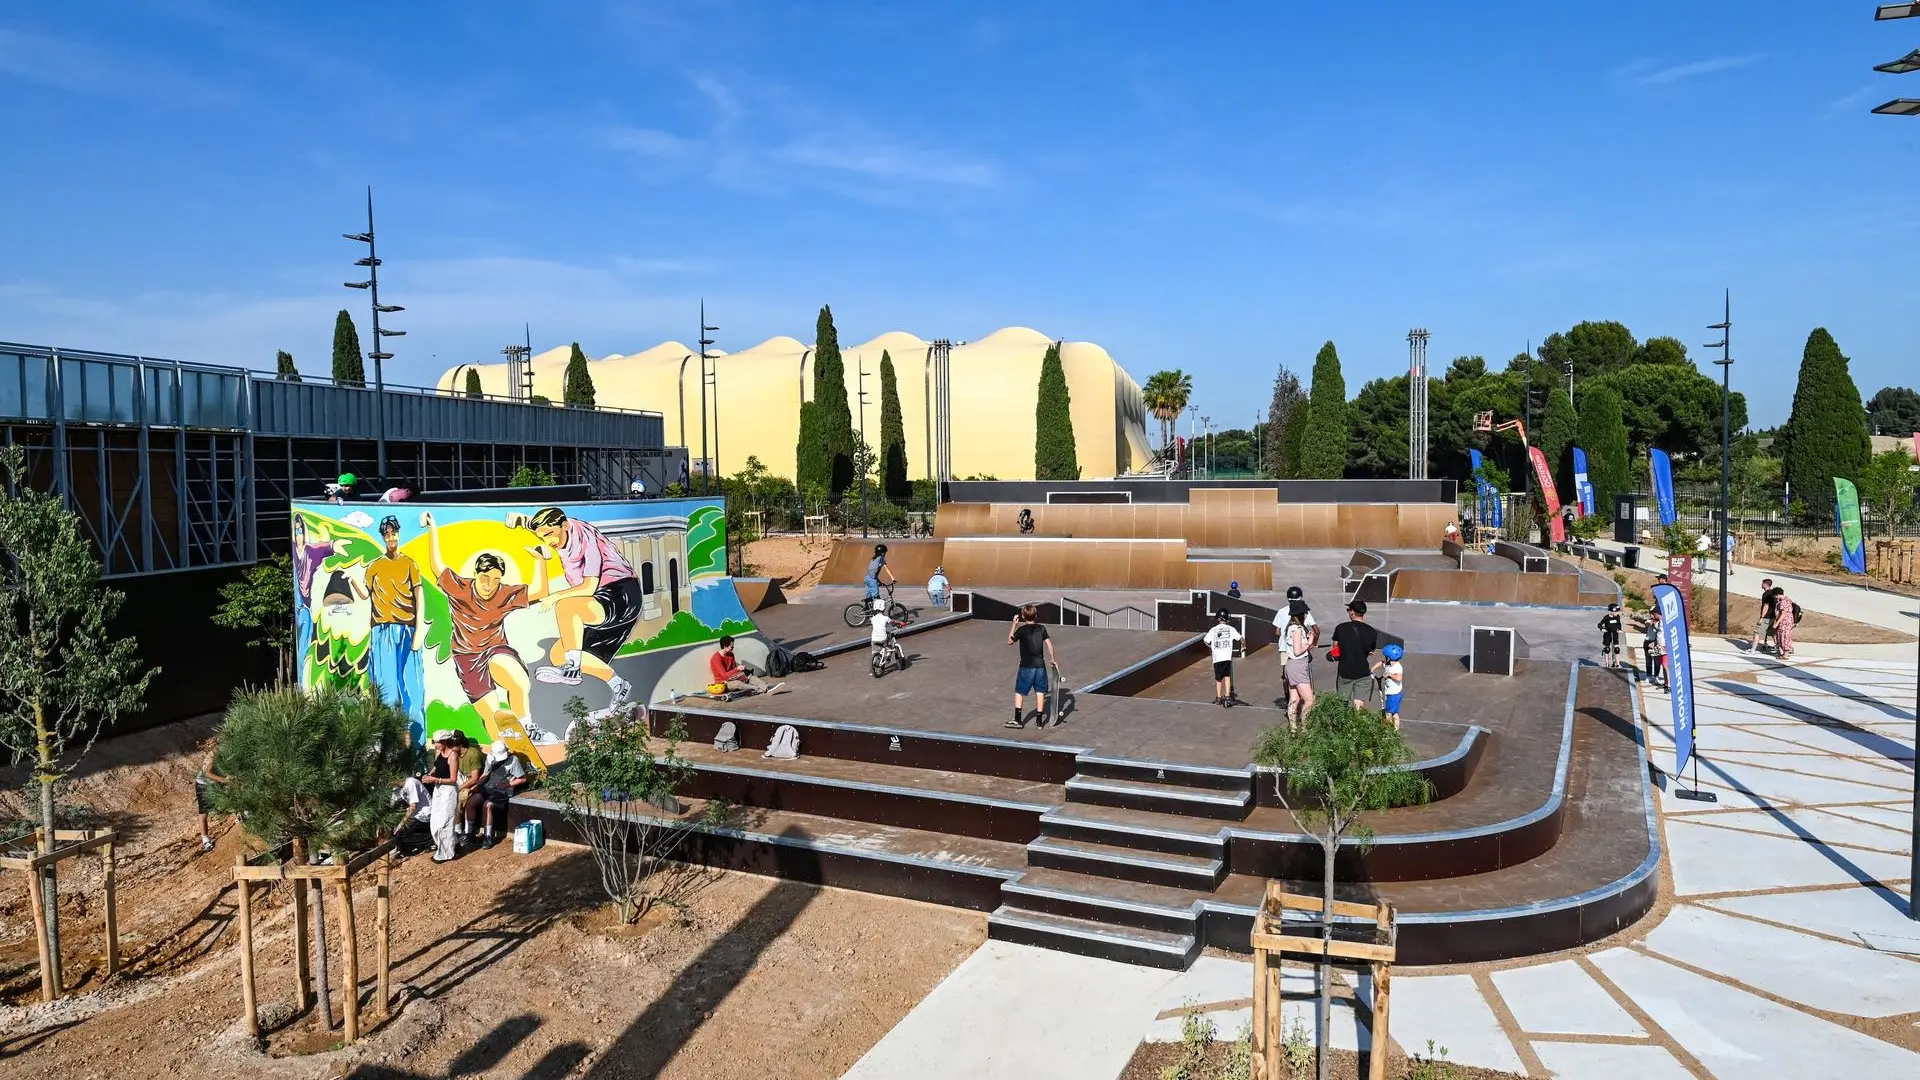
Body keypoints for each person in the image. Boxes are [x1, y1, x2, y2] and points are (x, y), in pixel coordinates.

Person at [424, 512, 550, 752]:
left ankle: (527, 726)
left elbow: (540, 591)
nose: (490, 585)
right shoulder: (460, 588)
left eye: (495, 579)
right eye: (485, 578)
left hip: (495, 650)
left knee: (518, 680)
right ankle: (504, 753)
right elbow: (435, 566)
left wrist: (539, 560)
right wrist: (433, 529)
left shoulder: (503, 594)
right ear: (476, 575)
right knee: (494, 718)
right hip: (467, 659)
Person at [519, 506, 640, 705]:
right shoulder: (555, 531)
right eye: (543, 538)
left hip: (622, 592)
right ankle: (618, 684)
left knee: (566, 607)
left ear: (564, 526)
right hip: (604, 605)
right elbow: (541, 527)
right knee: (559, 653)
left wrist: (556, 596)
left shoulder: (585, 538)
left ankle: (572, 668)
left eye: (550, 535)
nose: (549, 542)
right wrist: (522, 523)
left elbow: (589, 586)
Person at [361, 515, 428, 746]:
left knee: (412, 686)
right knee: (387, 688)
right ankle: (390, 744)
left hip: (407, 629)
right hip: (382, 630)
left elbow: (419, 596)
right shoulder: (375, 566)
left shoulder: (409, 563)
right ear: (383, 537)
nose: (391, 538)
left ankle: (416, 746)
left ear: (398, 535)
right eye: (387, 534)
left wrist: (420, 631)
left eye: (393, 533)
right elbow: (364, 595)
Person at [291, 516, 350, 690]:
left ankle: (307, 681)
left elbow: (322, 548)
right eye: (296, 531)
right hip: (301, 606)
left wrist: (334, 545)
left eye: (301, 531)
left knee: (307, 644)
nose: (299, 535)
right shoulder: (295, 550)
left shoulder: (310, 551)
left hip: (307, 609)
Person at [471, 741, 529, 847]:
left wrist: (508, 784)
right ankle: (468, 832)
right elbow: (486, 773)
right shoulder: (490, 758)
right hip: (488, 787)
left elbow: (522, 779)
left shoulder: (513, 760)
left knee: (487, 805)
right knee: (472, 801)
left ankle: (487, 836)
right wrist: (476, 786)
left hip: (503, 791)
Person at [1007, 604, 1057, 728]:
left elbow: (1010, 641)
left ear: (1023, 616)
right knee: (1040, 692)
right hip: (1040, 667)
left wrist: (1014, 624)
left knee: (1020, 691)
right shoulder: (1042, 628)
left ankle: (1018, 720)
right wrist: (1052, 659)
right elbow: (1049, 645)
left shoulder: (1022, 630)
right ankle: (1039, 721)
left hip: (1026, 667)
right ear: (1036, 615)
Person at [1328, 601, 1380, 709]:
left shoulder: (1340, 628)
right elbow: (1371, 651)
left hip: (1345, 672)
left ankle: (1342, 724)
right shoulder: (1372, 632)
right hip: (1362, 672)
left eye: (1348, 610)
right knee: (1358, 704)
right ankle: (1356, 724)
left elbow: (1335, 648)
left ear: (1352, 612)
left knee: (1342, 704)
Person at [423, 731, 462, 863]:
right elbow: (436, 766)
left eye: (437, 742)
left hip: (448, 791)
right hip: (438, 790)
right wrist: (428, 775)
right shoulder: (439, 753)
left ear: (445, 742)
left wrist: (435, 779)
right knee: (435, 821)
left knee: (445, 822)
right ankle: (452, 844)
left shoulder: (453, 756)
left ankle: (447, 853)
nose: (436, 745)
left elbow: (453, 779)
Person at [709, 634, 782, 695]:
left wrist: (742, 671)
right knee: (738, 683)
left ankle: (767, 687)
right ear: (725, 647)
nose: (733, 647)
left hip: (732, 678)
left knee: (749, 676)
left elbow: (733, 670)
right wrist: (737, 669)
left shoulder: (731, 655)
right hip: (723, 683)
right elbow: (724, 676)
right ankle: (761, 689)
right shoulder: (716, 659)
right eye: (731, 646)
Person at [1281, 608, 1315, 726]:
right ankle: (1305, 729)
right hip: (1298, 666)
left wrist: (1307, 642)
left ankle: (1293, 728)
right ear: (1300, 614)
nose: (1306, 615)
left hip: (1291, 665)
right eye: (1304, 613)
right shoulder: (1297, 629)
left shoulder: (1290, 627)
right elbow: (1297, 651)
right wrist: (1309, 642)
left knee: (1294, 699)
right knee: (1309, 700)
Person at [454, 732, 487, 849]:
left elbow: (475, 778)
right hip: (462, 783)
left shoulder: (473, 754)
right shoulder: (455, 755)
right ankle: (457, 831)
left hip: (477, 786)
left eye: (453, 745)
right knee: (452, 800)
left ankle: (469, 832)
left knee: (467, 801)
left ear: (460, 745)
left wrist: (459, 788)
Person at [1204, 610, 1243, 707]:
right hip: (1226, 657)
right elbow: (1241, 639)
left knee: (1218, 678)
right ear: (1228, 619)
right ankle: (1227, 696)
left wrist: (1211, 647)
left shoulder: (1213, 630)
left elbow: (1205, 640)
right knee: (1227, 676)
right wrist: (1243, 646)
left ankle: (1218, 697)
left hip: (1217, 658)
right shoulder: (1231, 629)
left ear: (1217, 618)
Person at [195, 743, 228, 853]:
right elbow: (208, 773)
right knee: (204, 812)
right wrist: (224, 780)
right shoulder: (215, 754)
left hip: (217, 781)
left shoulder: (229, 750)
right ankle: (205, 840)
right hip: (204, 784)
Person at [392, 772, 434, 856]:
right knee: (400, 833)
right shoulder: (401, 787)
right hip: (417, 814)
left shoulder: (411, 783)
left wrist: (400, 824)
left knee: (403, 835)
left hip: (425, 814)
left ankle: (429, 841)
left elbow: (412, 807)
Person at [1376, 643, 1406, 729]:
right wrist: (1372, 670)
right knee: (1394, 713)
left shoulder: (1397, 667)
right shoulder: (1388, 663)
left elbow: (1399, 678)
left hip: (1394, 694)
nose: (1384, 658)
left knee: (1389, 713)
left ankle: (1389, 731)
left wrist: (1389, 675)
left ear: (1389, 657)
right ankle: (1394, 730)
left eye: (1385, 656)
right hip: (1392, 693)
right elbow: (1381, 662)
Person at [1753, 578, 1781, 654]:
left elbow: (1766, 606)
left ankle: (1753, 650)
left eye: (1762, 583)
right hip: (1773, 617)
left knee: (1757, 632)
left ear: (1765, 584)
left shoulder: (1766, 594)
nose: (1761, 585)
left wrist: (1761, 618)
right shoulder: (1773, 594)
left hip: (1766, 617)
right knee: (1773, 634)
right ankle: (1780, 649)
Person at [1773, 589, 1798, 661]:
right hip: (1789, 620)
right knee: (1785, 635)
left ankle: (1785, 654)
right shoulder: (1788, 599)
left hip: (1785, 621)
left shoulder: (1783, 602)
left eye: (1775, 596)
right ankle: (1784, 653)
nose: (1775, 598)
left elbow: (1783, 614)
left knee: (1784, 636)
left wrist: (1776, 623)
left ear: (1777, 594)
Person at [1641, 616, 1665, 687]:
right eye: (1651, 613)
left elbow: (1661, 632)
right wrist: (1652, 623)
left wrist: (1655, 642)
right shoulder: (1650, 620)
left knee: (1656, 661)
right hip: (1648, 642)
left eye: (1654, 613)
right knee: (1648, 661)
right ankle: (1649, 675)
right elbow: (1647, 623)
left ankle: (1656, 676)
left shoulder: (1661, 623)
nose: (1652, 615)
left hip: (1655, 643)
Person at [1598, 603, 1624, 668]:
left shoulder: (1618, 617)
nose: (1617, 613)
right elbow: (1599, 624)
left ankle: (1617, 664)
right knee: (1607, 649)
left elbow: (1619, 624)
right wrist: (1602, 629)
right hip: (1607, 634)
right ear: (1611, 611)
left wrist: (1620, 629)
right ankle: (1607, 664)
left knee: (1617, 649)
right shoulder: (1606, 618)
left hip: (1615, 634)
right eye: (1616, 611)